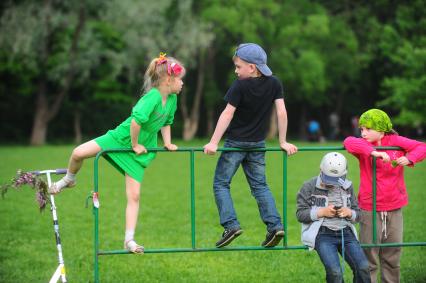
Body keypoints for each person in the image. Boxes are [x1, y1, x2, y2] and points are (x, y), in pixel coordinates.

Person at [49, 53, 185, 254]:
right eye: (180, 78)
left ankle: (129, 240)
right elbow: (135, 121)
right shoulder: (153, 97)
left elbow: (166, 122)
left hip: (140, 149)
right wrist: (135, 144)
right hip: (122, 138)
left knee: (135, 196)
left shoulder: (172, 99)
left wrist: (168, 143)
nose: (182, 83)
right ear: (168, 80)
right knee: (78, 153)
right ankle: (68, 179)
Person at [203, 43, 297, 248]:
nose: (236, 71)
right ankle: (275, 226)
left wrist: (213, 142)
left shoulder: (240, 86)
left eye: (238, 67)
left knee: (221, 184)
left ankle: (231, 225)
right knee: (260, 186)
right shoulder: (274, 83)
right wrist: (282, 140)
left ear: (252, 67)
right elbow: (281, 112)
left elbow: (227, 113)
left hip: (235, 144)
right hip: (257, 144)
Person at [343, 109, 426, 283]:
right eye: (361, 129)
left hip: (395, 207)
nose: (363, 133)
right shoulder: (363, 144)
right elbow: (348, 142)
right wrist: (374, 152)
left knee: (392, 255)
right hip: (369, 208)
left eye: (368, 129)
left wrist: (410, 158)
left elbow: (422, 147)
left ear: (381, 130)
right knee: (369, 256)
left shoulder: (395, 141)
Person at [296, 152, 371, 283]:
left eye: (336, 179)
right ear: (321, 169)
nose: (332, 183)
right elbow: (300, 214)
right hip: (323, 234)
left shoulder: (347, 186)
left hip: (346, 233)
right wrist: (321, 212)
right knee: (335, 273)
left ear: (344, 174)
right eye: (328, 178)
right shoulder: (308, 186)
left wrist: (349, 213)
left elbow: (358, 215)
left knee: (363, 267)